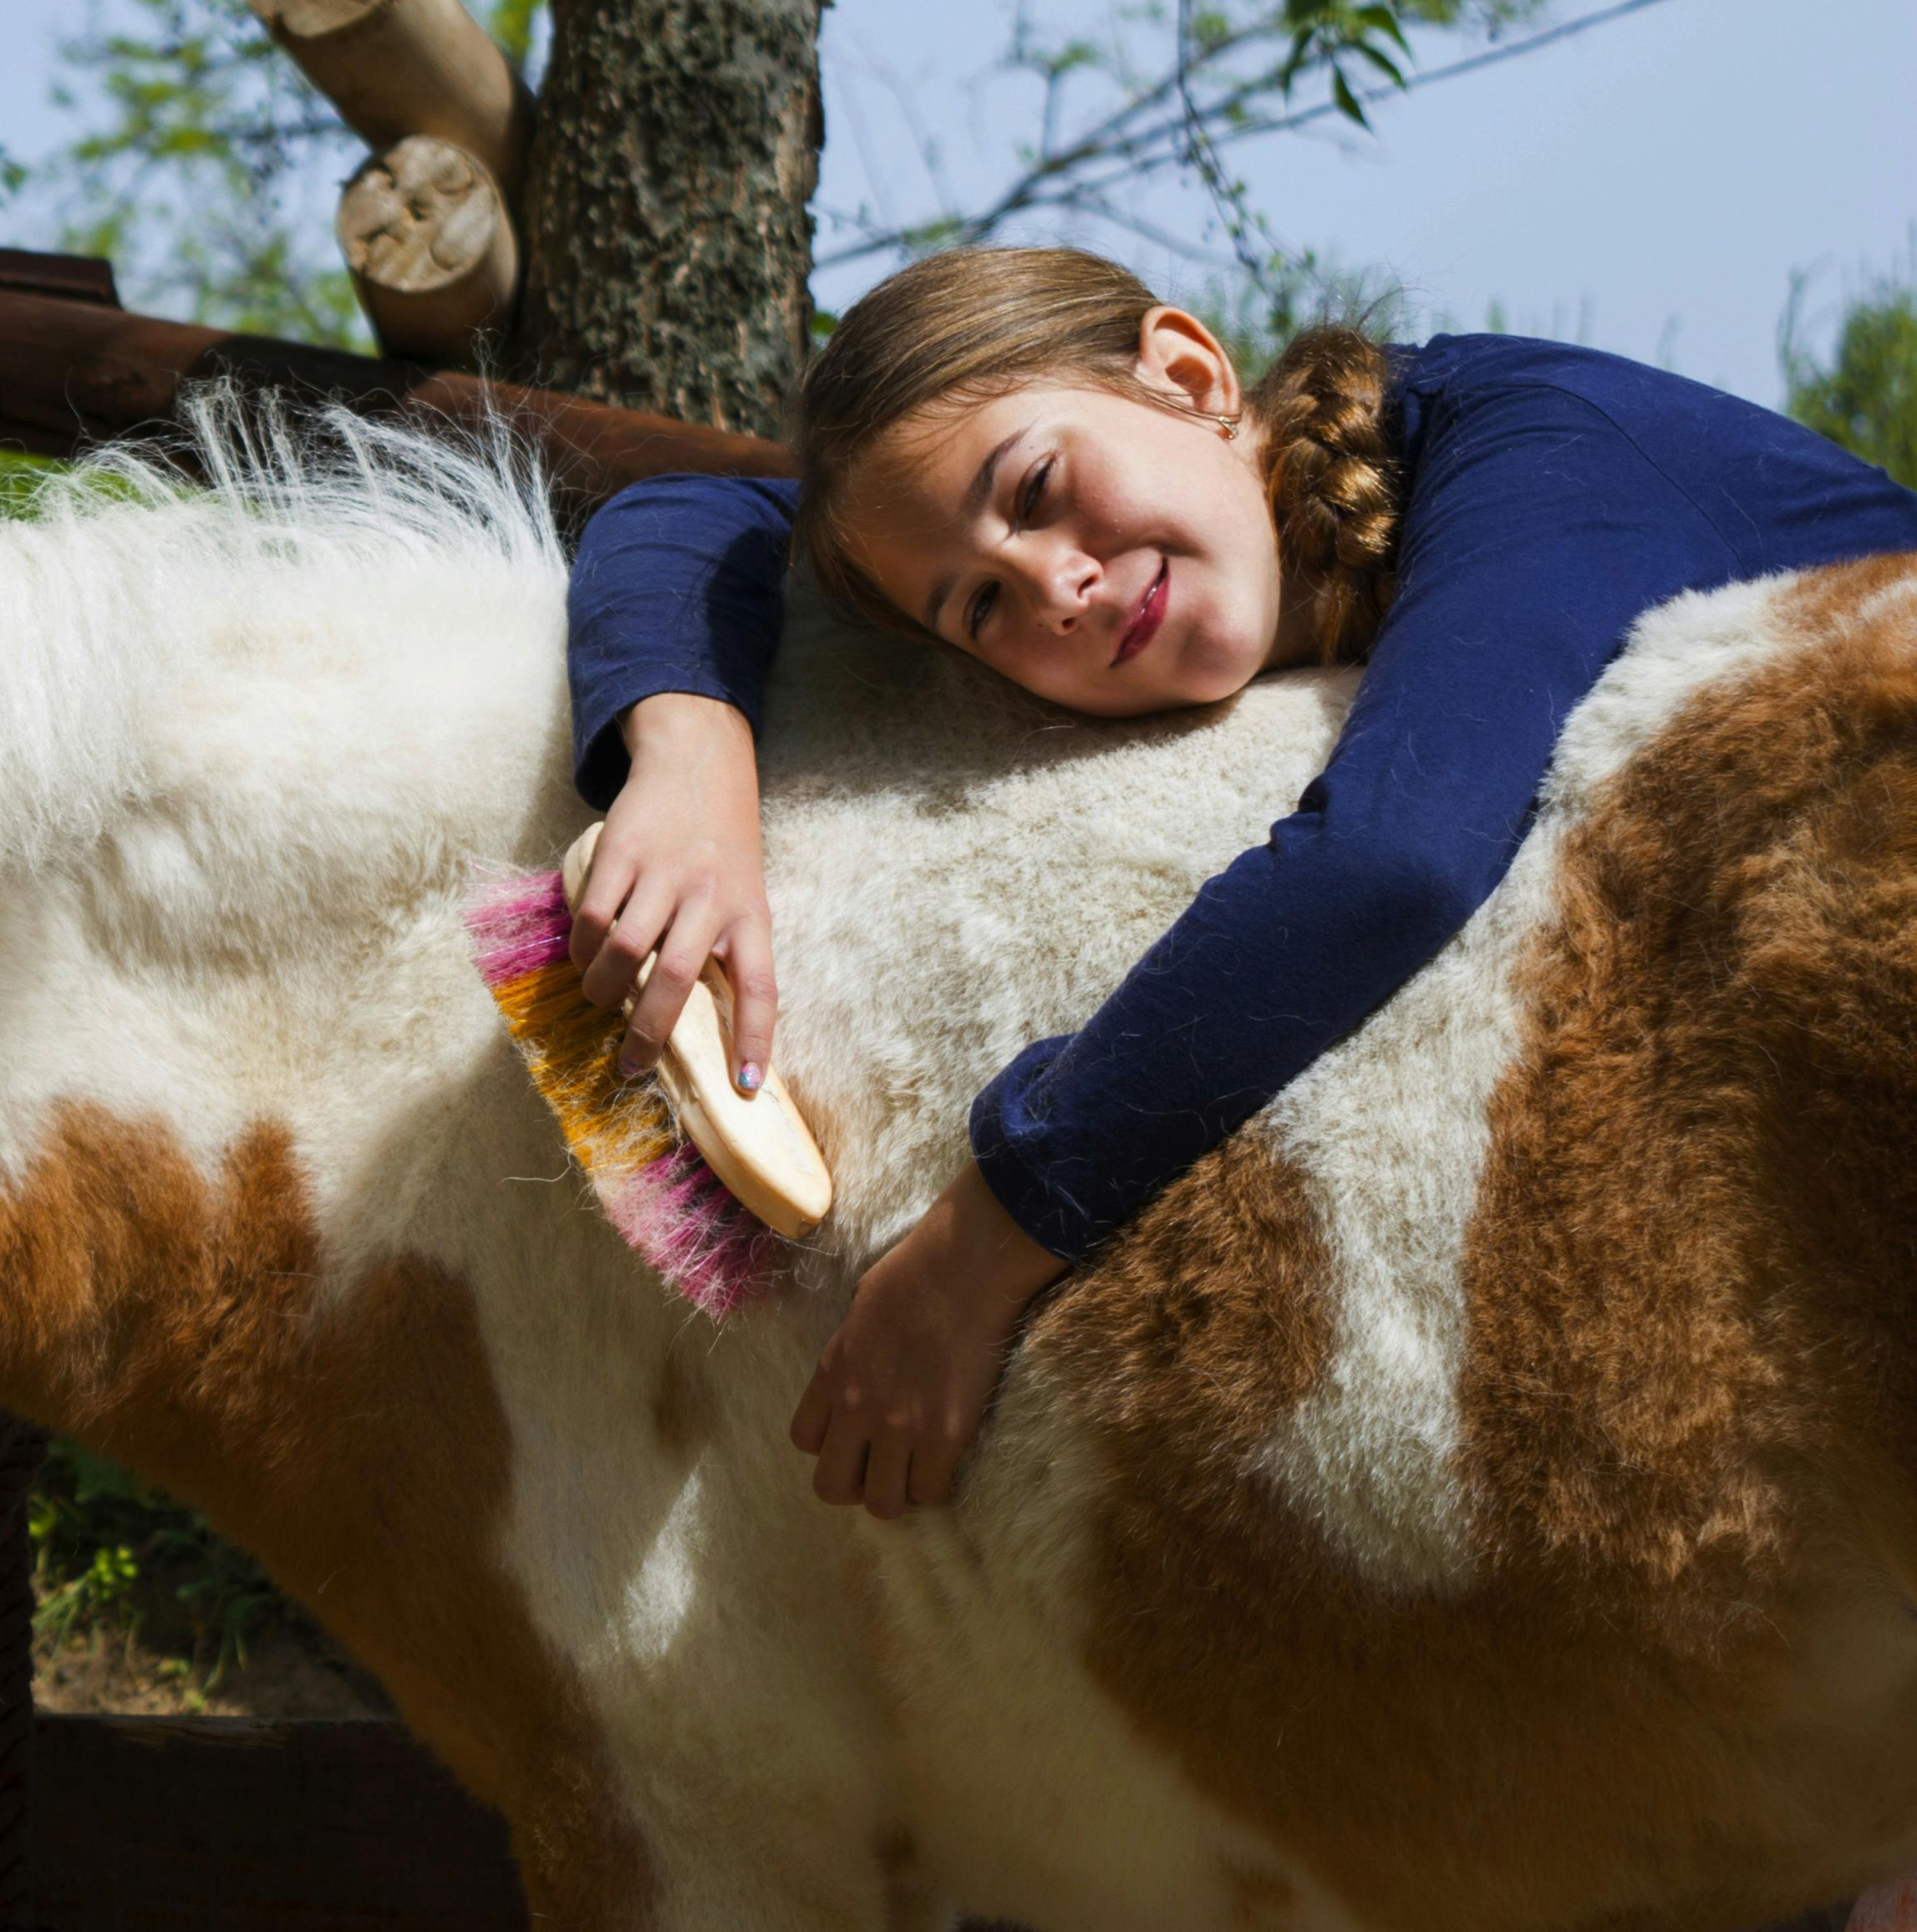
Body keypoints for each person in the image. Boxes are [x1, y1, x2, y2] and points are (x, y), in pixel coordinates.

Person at [565, 245, 1917, 1522]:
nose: (1056, 586)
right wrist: (687, 759)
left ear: (1192, 377)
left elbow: (1390, 862)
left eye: (1036, 489)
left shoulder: (1530, 457)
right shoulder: (1279, 539)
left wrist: (979, 1248)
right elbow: (695, 511)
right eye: (979, 607)